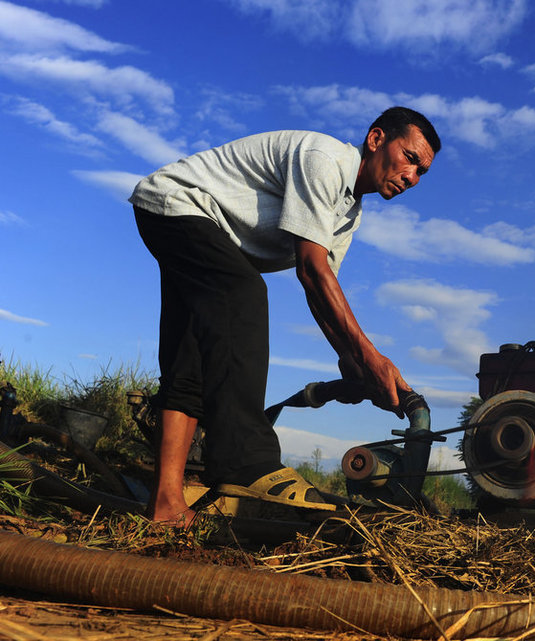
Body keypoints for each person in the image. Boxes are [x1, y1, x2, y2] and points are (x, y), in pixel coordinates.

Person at [130, 107, 441, 526]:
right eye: (410, 158)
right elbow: (311, 270)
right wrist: (370, 355)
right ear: (376, 139)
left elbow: (323, 294)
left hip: (198, 227)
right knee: (243, 293)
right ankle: (245, 462)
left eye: (422, 172)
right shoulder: (324, 160)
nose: (413, 177)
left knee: (191, 357)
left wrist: (355, 367)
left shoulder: (349, 213)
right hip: (180, 204)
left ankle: (165, 505)